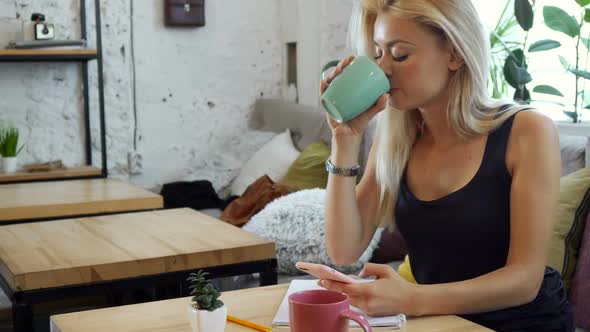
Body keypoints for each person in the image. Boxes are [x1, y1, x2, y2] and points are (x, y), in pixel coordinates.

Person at [320, 0, 575, 331]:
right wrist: (344, 140)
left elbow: (524, 280)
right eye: (379, 53)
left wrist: (412, 298)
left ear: (454, 55)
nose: (383, 69)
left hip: (523, 324)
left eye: (399, 55)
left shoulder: (527, 131)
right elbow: (343, 250)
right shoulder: (397, 139)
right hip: (440, 323)